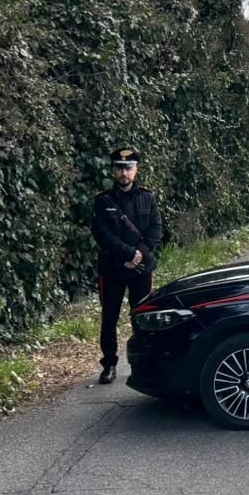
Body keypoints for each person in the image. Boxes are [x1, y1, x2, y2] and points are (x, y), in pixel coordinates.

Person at [91, 146, 164, 384]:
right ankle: (109, 364)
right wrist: (127, 253)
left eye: (128, 168)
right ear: (113, 171)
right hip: (112, 268)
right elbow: (102, 233)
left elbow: (155, 230)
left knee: (143, 316)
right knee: (109, 318)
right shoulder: (103, 202)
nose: (124, 173)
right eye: (120, 168)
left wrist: (139, 255)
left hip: (141, 269)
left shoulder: (148, 197)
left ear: (136, 170)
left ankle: (143, 363)